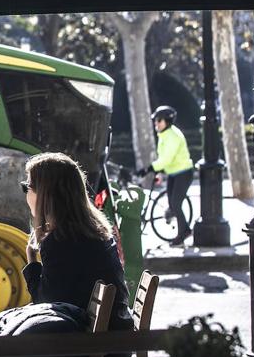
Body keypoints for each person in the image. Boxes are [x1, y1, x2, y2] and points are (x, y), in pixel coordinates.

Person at [21, 152, 134, 331]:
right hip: (115, 333)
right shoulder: (94, 229)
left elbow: (45, 304)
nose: (26, 193)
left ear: (45, 194)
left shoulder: (59, 241)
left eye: (27, 187)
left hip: (94, 345)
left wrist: (31, 258)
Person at [136, 105, 195, 246]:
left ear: (167, 121)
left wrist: (150, 168)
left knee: (175, 203)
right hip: (174, 173)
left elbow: (167, 158)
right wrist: (158, 169)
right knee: (172, 202)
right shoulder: (164, 134)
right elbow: (165, 158)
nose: (156, 123)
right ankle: (172, 215)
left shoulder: (173, 136)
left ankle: (184, 232)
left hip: (183, 173)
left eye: (159, 120)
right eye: (155, 120)